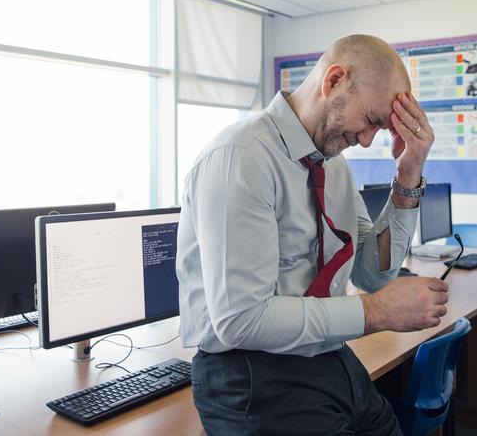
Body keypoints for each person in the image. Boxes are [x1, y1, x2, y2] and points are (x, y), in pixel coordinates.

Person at [176, 34, 448, 435]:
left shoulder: (332, 164)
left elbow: (372, 273)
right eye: (371, 121)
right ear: (334, 80)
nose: (368, 140)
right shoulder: (241, 157)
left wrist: (408, 175)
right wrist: (376, 311)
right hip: (250, 372)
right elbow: (241, 320)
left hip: (327, 356)